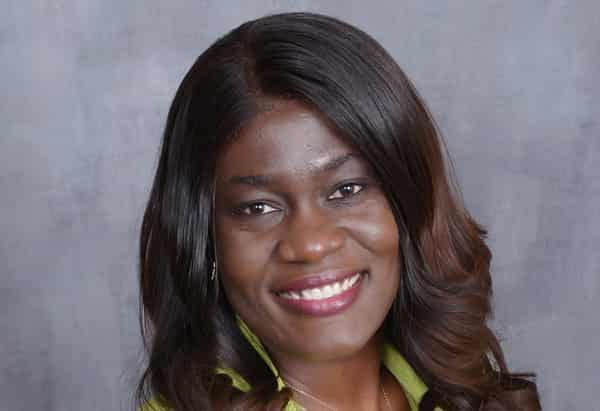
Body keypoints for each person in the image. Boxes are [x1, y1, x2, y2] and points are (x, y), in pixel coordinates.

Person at [136, 12, 541, 411]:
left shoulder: (469, 395)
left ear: (409, 203)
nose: (311, 244)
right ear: (206, 241)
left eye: (347, 189)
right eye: (258, 207)